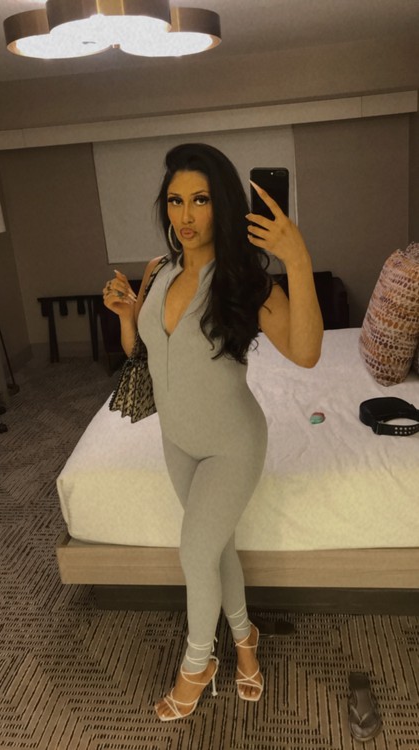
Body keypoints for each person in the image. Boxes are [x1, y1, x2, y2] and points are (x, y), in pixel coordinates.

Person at [103, 143, 323, 721]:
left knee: (194, 551)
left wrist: (297, 258)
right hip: (176, 439)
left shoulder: (242, 282)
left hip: (232, 444)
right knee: (215, 549)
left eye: (199, 200)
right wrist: (127, 316)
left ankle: (198, 665)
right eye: (175, 201)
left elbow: (306, 352)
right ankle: (245, 639)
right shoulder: (159, 270)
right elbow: (143, 354)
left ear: (221, 204)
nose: (185, 215)